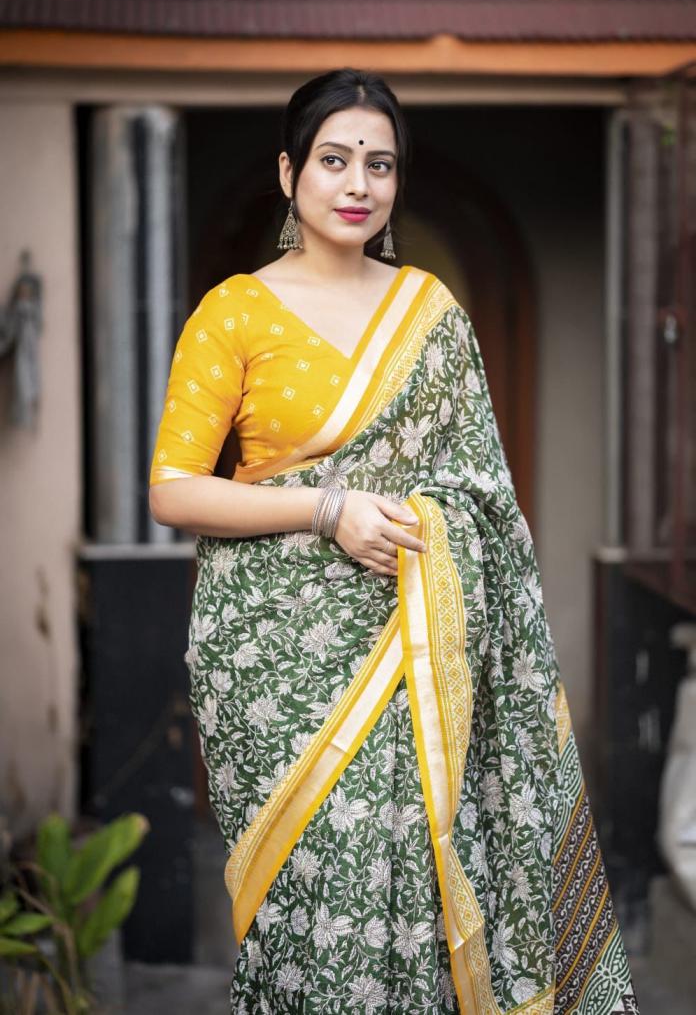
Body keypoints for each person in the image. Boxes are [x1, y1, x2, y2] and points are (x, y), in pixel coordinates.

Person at [149, 68, 640, 1014]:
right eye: (334, 160)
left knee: (421, 882)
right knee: (315, 901)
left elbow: (483, 496)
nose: (358, 184)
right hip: (277, 665)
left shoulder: (432, 312)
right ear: (290, 173)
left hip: (420, 662)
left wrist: (426, 526)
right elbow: (174, 490)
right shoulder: (234, 312)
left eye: (380, 164)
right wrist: (328, 510)